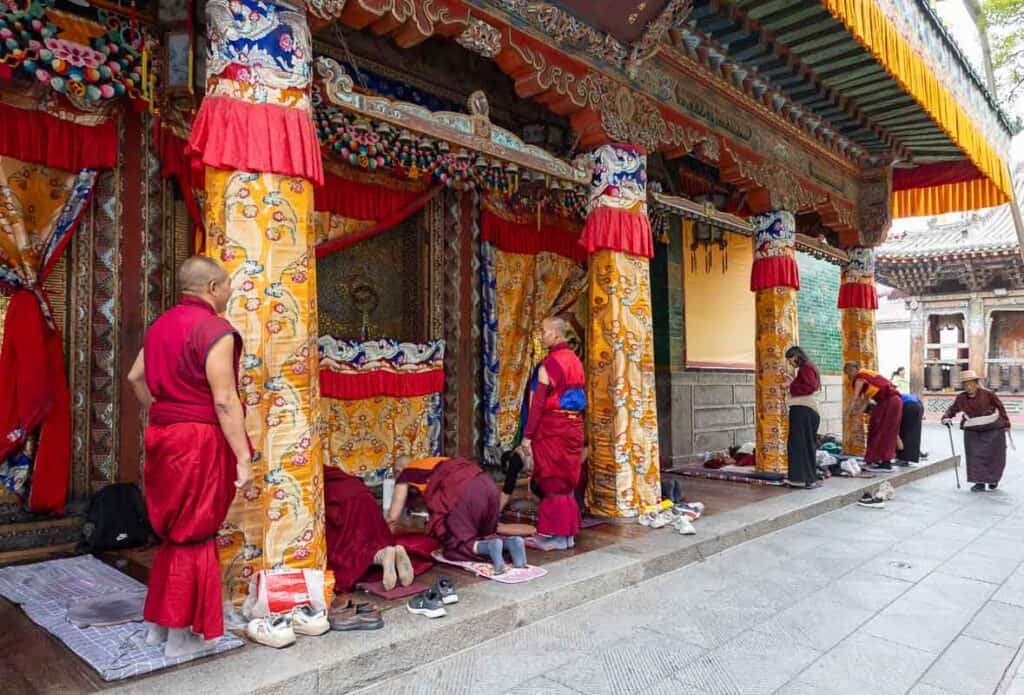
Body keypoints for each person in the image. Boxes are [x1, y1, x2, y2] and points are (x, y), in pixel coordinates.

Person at [126, 257, 253, 657]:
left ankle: (157, 627)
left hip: (163, 435)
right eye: (229, 285)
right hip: (198, 441)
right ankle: (180, 637)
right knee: (195, 530)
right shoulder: (216, 330)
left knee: (175, 528)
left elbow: (135, 377)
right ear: (213, 287)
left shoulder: (160, 325)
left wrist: (165, 413)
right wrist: (244, 457)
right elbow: (224, 399)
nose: (231, 291)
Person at [387, 456, 526, 573]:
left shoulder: (407, 472)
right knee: (481, 534)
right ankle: (510, 543)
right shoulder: (436, 462)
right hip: (488, 485)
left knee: (454, 546)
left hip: (464, 492)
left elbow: (393, 517)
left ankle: (488, 547)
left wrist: (385, 539)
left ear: (398, 471)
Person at [519, 316, 586, 551]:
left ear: (556, 334)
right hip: (573, 426)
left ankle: (555, 535)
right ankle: (566, 535)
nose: (541, 335)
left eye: (544, 331)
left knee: (551, 480)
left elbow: (537, 405)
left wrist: (527, 436)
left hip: (553, 427)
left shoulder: (549, 364)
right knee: (565, 481)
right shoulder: (575, 361)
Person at [324, 466, 421, 593]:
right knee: (375, 539)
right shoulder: (319, 464)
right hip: (362, 493)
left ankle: (381, 556)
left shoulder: (300, 473)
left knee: (344, 550)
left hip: (339, 501)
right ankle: (390, 552)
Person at [942, 370, 1011, 492]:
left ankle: (993, 479)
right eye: (966, 384)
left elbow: (1001, 408)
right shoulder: (961, 397)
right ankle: (979, 482)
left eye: (971, 383)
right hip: (973, 431)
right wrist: (946, 417)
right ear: (963, 386)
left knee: (995, 457)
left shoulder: (989, 394)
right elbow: (953, 409)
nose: (969, 387)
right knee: (974, 457)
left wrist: (1006, 423)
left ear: (976, 383)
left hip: (993, 430)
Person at [844, 361, 903, 472]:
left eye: (849, 372)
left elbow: (855, 397)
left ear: (855, 369)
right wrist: (856, 415)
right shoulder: (867, 376)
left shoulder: (860, 377)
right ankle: (874, 459)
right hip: (889, 402)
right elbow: (865, 401)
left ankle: (885, 462)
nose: (849, 376)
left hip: (890, 401)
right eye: (847, 374)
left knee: (883, 431)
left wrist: (847, 413)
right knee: (875, 428)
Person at [784, 346, 821, 489]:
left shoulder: (805, 368)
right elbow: (807, 385)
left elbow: (809, 387)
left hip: (802, 409)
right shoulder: (809, 367)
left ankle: (799, 479)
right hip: (809, 410)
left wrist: (789, 385)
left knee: (798, 444)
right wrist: (793, 382)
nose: (791, 363)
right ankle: (809, 478)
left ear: (796, 355)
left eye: (790, 359)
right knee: (806, 444)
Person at [896, 393, 925, 466]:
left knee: (904, 431)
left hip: (909, 406)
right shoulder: (901, 395)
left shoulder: (890, 398)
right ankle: (916, 453)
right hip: (919, 406)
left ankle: (904, 459)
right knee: (914, 432)